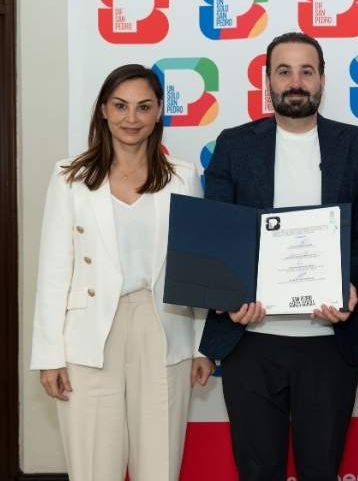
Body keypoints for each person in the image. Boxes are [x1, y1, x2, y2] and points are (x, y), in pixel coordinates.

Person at [199, 31, 358, 481]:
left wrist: (349, 284)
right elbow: (218, 236)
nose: (296, 82)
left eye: (307, 71)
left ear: (323, 79)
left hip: (328, 341)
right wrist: (230, 294)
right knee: (256, 470)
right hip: (250, 337)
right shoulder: (235, 144)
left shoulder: (357, 144)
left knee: (320, 469)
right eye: (284, 71)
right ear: (268, 80)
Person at [30, 64, 214, 481]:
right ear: (103, 110)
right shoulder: (69, 178)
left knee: (160, 464)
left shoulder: (183, 177)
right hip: (89, 334)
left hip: (164, 325)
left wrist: (202, 345)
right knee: (94, 466)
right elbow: (54, 271)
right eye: (120, 106)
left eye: (143, 107)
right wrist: (49, 355)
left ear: (159, 111)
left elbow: (197, 269)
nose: (132, 118)